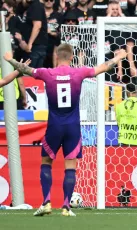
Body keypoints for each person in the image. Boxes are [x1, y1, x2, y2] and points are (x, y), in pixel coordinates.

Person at [3, 44, 127, 217]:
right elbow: (103, 67)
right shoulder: (80, 72)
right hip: (73, 127)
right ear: (72, 57)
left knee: (46, 162)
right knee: (71, 166)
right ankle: (66, 207)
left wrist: (11, 60)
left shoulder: (47, 73)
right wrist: (118, 57)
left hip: (54, 126)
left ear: (56, 56)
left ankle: (46, 202)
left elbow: (25, 69)